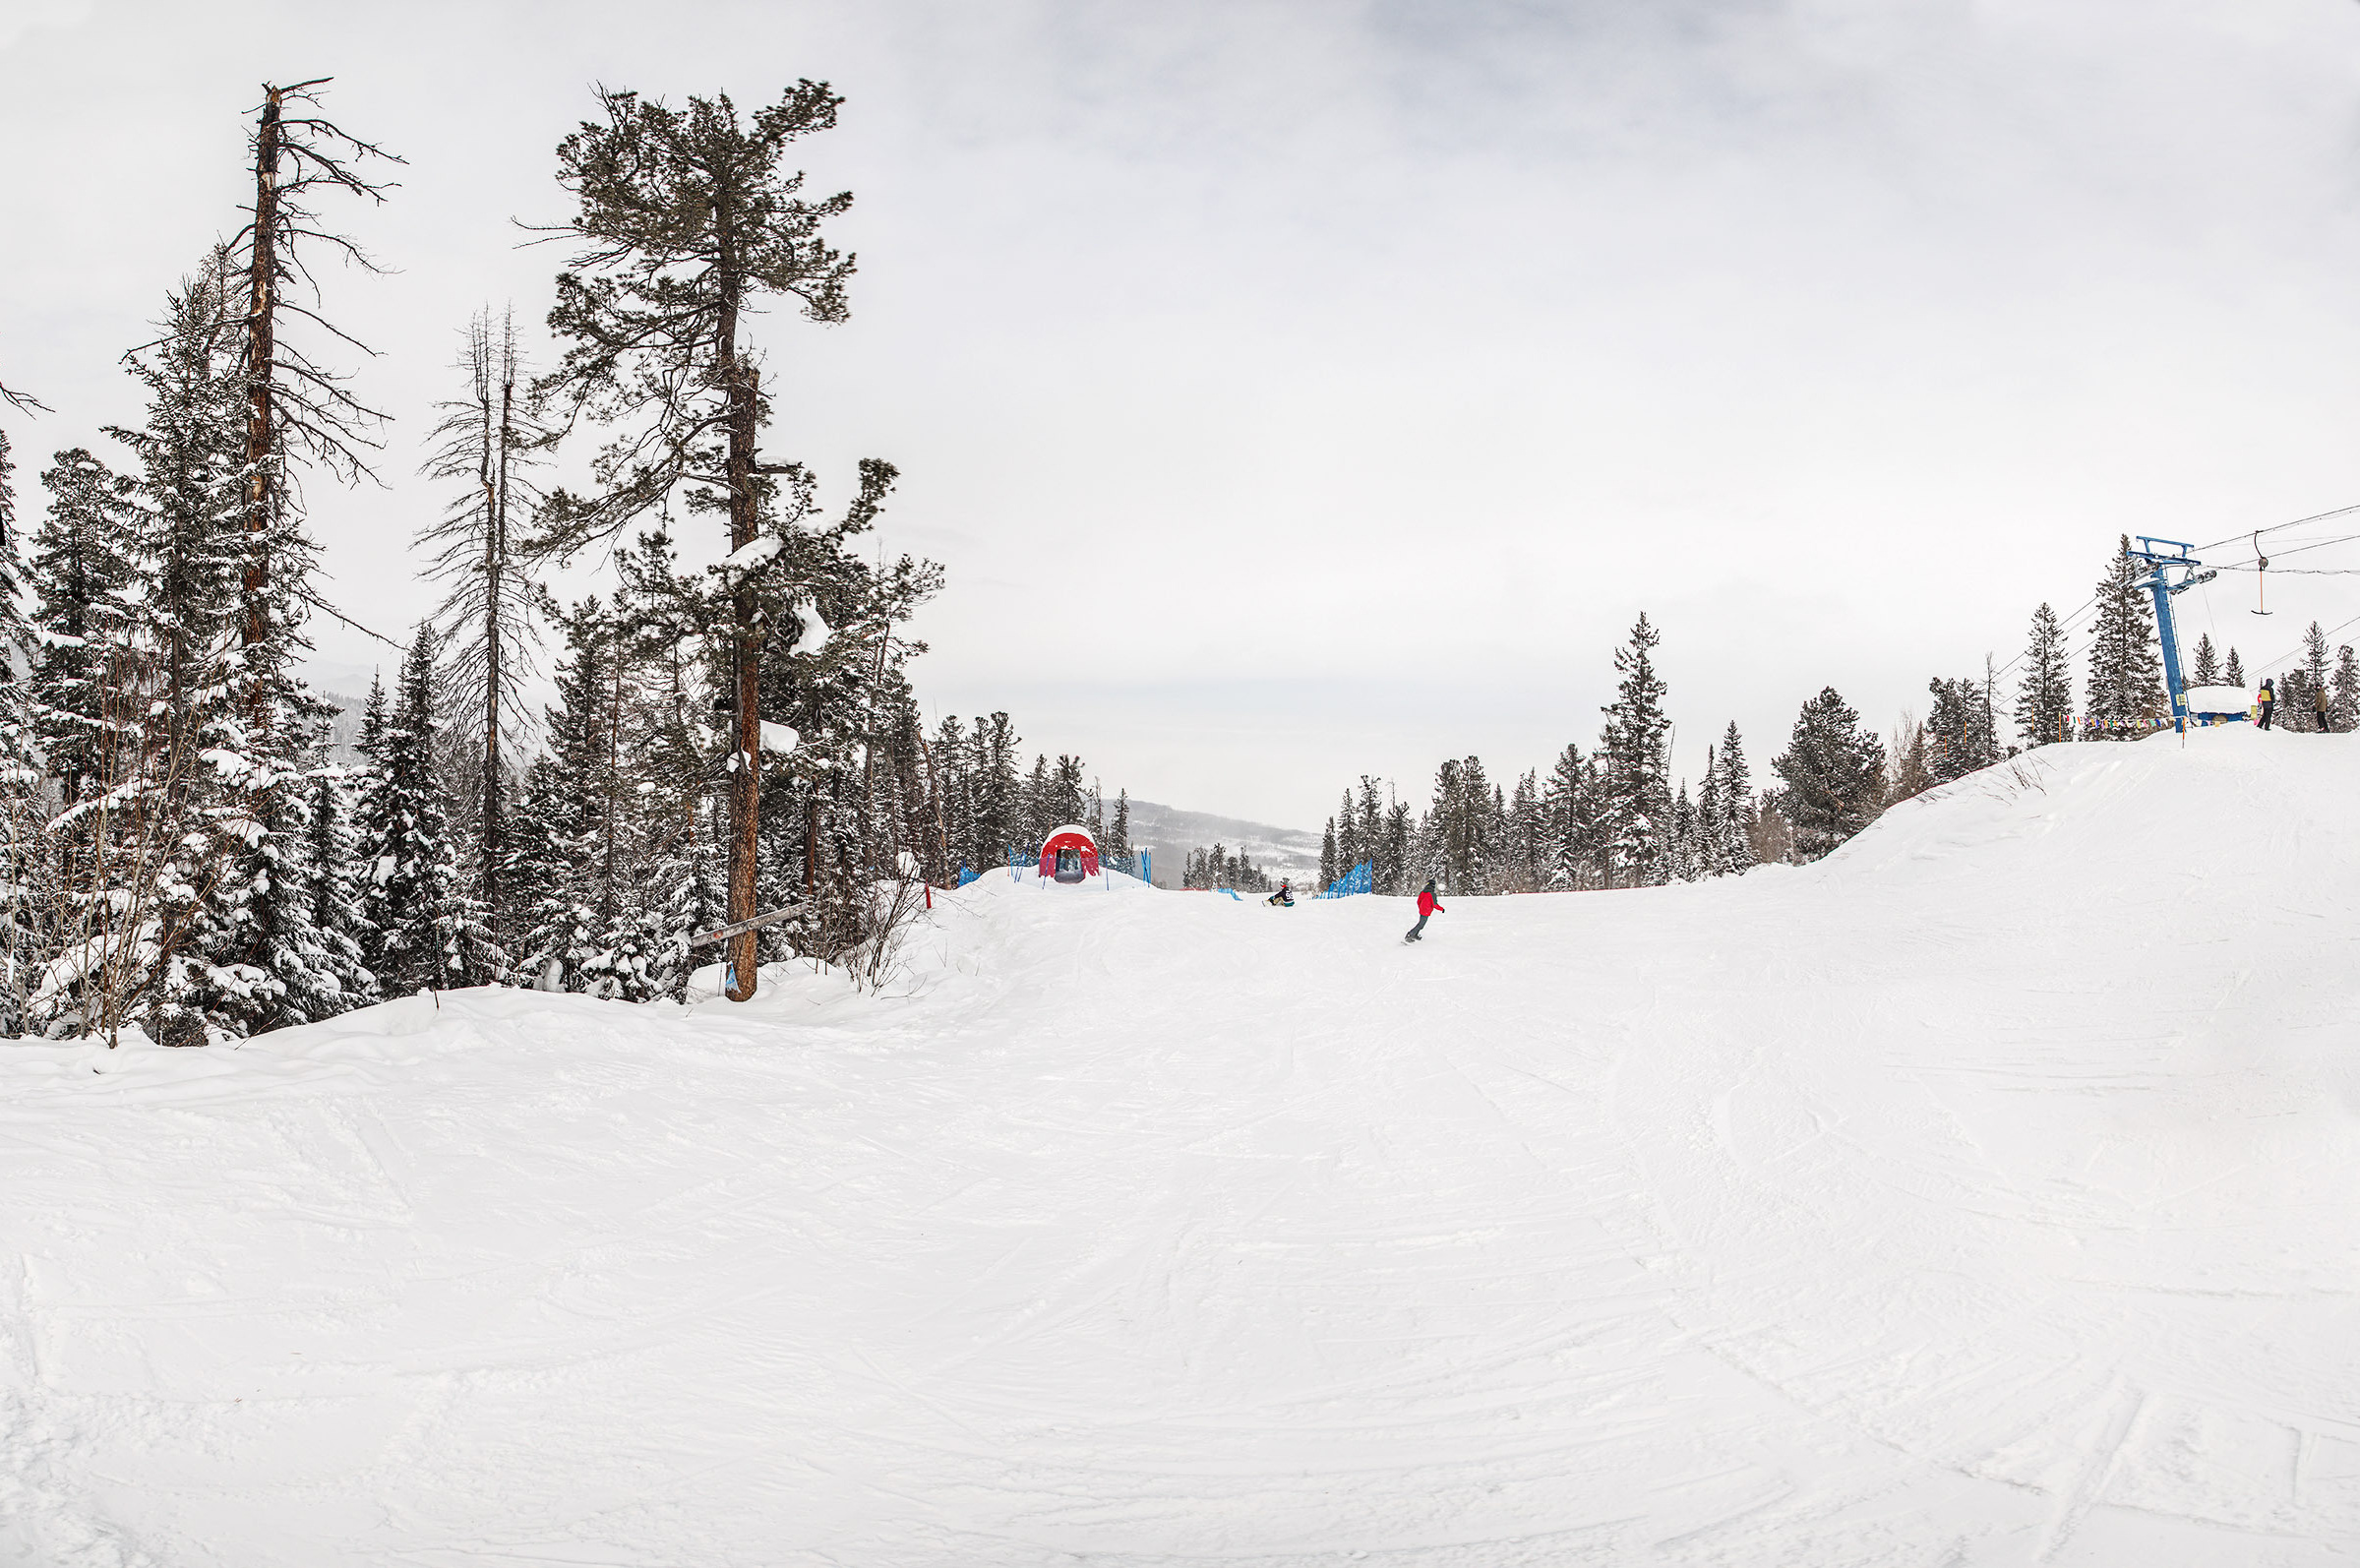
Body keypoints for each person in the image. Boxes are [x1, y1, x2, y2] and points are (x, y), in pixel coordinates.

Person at [1405, 877, 1444, 942]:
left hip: (1422, 910)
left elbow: (1418, 901)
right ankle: (1410, 935)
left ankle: (1415, 935)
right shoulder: (1432, 894)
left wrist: (1421, 907)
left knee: (1421, 924)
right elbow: (1435, 904)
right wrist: (1442, 909)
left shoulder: (1423, 892)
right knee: (1421, 925)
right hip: (1426, 911)